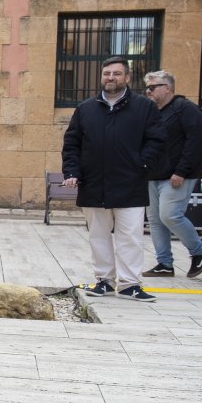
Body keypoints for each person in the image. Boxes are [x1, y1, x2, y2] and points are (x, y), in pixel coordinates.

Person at [62, 56, 165, 302]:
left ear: (127, 78)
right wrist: (72, 172)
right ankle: (104, 281)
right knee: (98, 236)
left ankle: (130, 284)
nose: (111, 78)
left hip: (130, 183)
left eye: (117, 73)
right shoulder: (85, 108)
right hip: (93, 183)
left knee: (130, 236)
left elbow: (157, 140)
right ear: (102, 76)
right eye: (107, 73)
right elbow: (72, 143)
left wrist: (142, 164)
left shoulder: (144, 107)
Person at [141, 71, 202, 278]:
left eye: (152, 87)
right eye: (147, 87)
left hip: (178, 175)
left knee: (170, 215)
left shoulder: (186, 109)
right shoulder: (154, 112)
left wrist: (181, 171)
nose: (148, 91)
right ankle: (164, 263)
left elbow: (195, 142)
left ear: (167, 88)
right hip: (153, 175)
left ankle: (199, 252)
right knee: (154, 220)